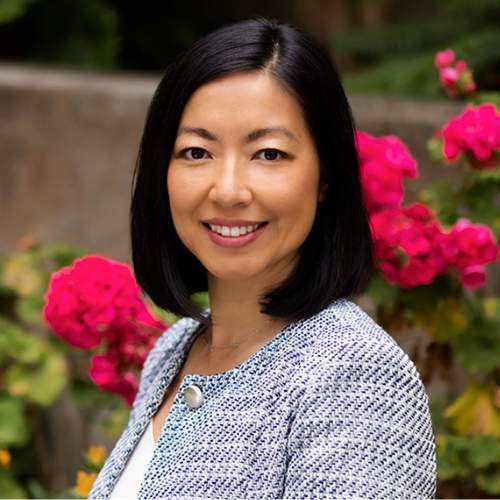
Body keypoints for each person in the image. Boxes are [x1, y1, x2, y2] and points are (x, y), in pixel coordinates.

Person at [89, 17, 436, 499]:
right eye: (196, 152)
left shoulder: (353, 374)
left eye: (269, 154)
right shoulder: (173, 353)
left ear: (325, 178)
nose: (228, 190)